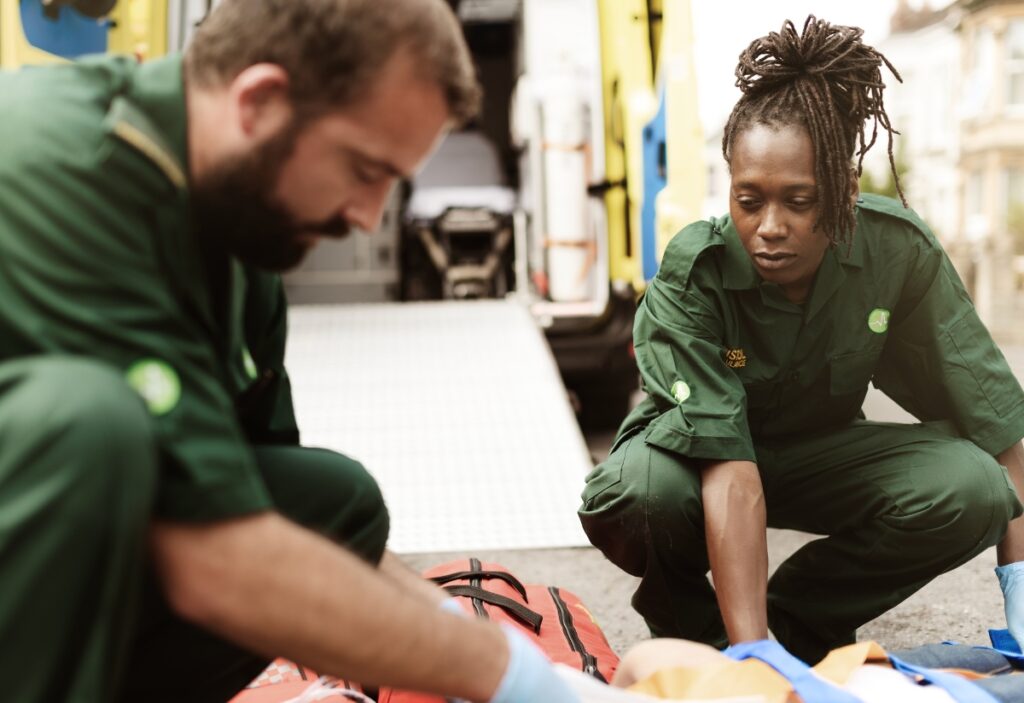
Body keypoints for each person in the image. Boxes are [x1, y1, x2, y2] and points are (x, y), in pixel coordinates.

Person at [0, 1, 581, 701]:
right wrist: (504, 677)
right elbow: (217, 559)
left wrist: (461, 629)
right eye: (365, 169)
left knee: (333, 504)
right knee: (85, 428)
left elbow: (265, 525)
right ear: (260, 102)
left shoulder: (242, 250)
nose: (369, 216)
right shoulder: (64, 164)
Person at [580, 16, 1024, 666]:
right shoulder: (694, 271)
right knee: (637, 496)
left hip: (817, 460)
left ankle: (797, 627)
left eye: (799, 200)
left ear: (843, 191)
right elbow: (730, 470)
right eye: (749, 199)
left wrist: (1021, 601)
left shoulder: (896, 253)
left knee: (975, 486)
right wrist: (750, 651)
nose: (769, 227)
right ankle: (707, 641)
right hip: (699, 463)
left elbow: (1003, 432)